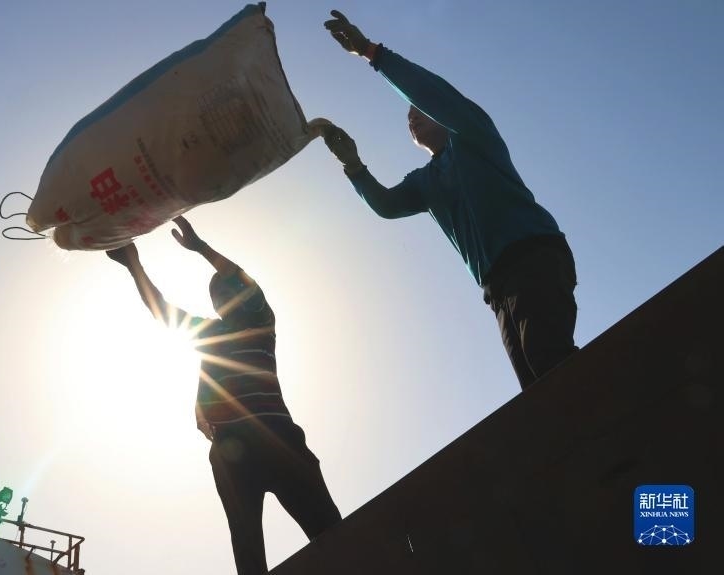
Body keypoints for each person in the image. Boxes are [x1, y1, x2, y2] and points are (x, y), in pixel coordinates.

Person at [320, 10, 579, 389]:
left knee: (550, 360)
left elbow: (429, 92)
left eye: (419, 110)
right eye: (408, 117)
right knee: (537, 389)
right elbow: (387, 205)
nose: (412, 116)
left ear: (442, 115)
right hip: (496, 289)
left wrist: (371, 52)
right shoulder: (425, 182)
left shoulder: (473, 135)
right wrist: (354, 166)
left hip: (533, 255)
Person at [106, 217, 341, 575]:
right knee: (247, 548)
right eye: (218, 296)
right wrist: (133, 263)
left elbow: (241, 278)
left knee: (333, 533)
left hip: (279, 439)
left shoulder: (261, 323)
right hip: (233, 448)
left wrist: (201, 248)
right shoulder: (210, 335)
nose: (224, 298)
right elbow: (161, 310)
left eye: (230, 291)